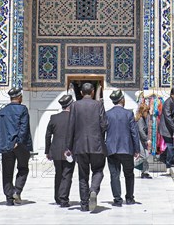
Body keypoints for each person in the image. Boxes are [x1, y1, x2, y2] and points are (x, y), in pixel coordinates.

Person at [65, 82, 108, 212]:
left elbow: (70, 126)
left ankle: (84, 205)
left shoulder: (74, 105)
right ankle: (94, 190)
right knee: (98, 170)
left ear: (82, 93)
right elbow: (104, 124)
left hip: (80, 145)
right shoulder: (98, 104)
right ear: (93, 92)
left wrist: (68, 147)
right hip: (97, 145)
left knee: (83, 175)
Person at [0, 87, 33, 206]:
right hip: (20, 145)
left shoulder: (1, 112)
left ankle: (9, 198)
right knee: (23, 168)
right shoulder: (22, 109)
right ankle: (17, 190)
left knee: (7, 171)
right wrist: (18, 142)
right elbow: (23, 127)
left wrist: (1, 144)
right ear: (19, 97)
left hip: (6, 146)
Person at [105, 89, 140, 206]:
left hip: (111, 150)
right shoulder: (129, 114)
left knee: (114, 175)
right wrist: (137, 150)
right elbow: (134, 133)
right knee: (129, 174)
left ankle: (117, 199)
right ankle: (129, 198)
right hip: (126, 149)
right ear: (122, 100)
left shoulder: (107, 114)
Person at [45, 94, 75, 207]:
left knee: (58, 174)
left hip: (56, 151)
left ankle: (57, 197)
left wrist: (47, 151)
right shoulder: (74, 118)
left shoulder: (54, 118)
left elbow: (47, 135)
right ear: (71, 105)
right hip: (69, 151)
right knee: (67, 174)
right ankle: (63, 199)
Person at [135, 101, 152, 178]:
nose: (147, 113)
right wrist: (147, 140)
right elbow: (141, 131)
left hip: (142, 140)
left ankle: (145, 172)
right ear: (143, 111)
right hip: (140, 140)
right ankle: (131, 165)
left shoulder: (143, 119)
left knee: (147, 156)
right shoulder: (140, 119)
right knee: (143, 156)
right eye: (147, 111)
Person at [159, 88, 174, 173]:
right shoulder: (168, 102)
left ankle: (162, 157)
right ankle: (169, 164)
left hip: (169, 129)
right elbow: (167, 117)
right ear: (172, 94)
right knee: (170, 146)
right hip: (166, 129)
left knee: (170, 146)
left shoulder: (172, 102)